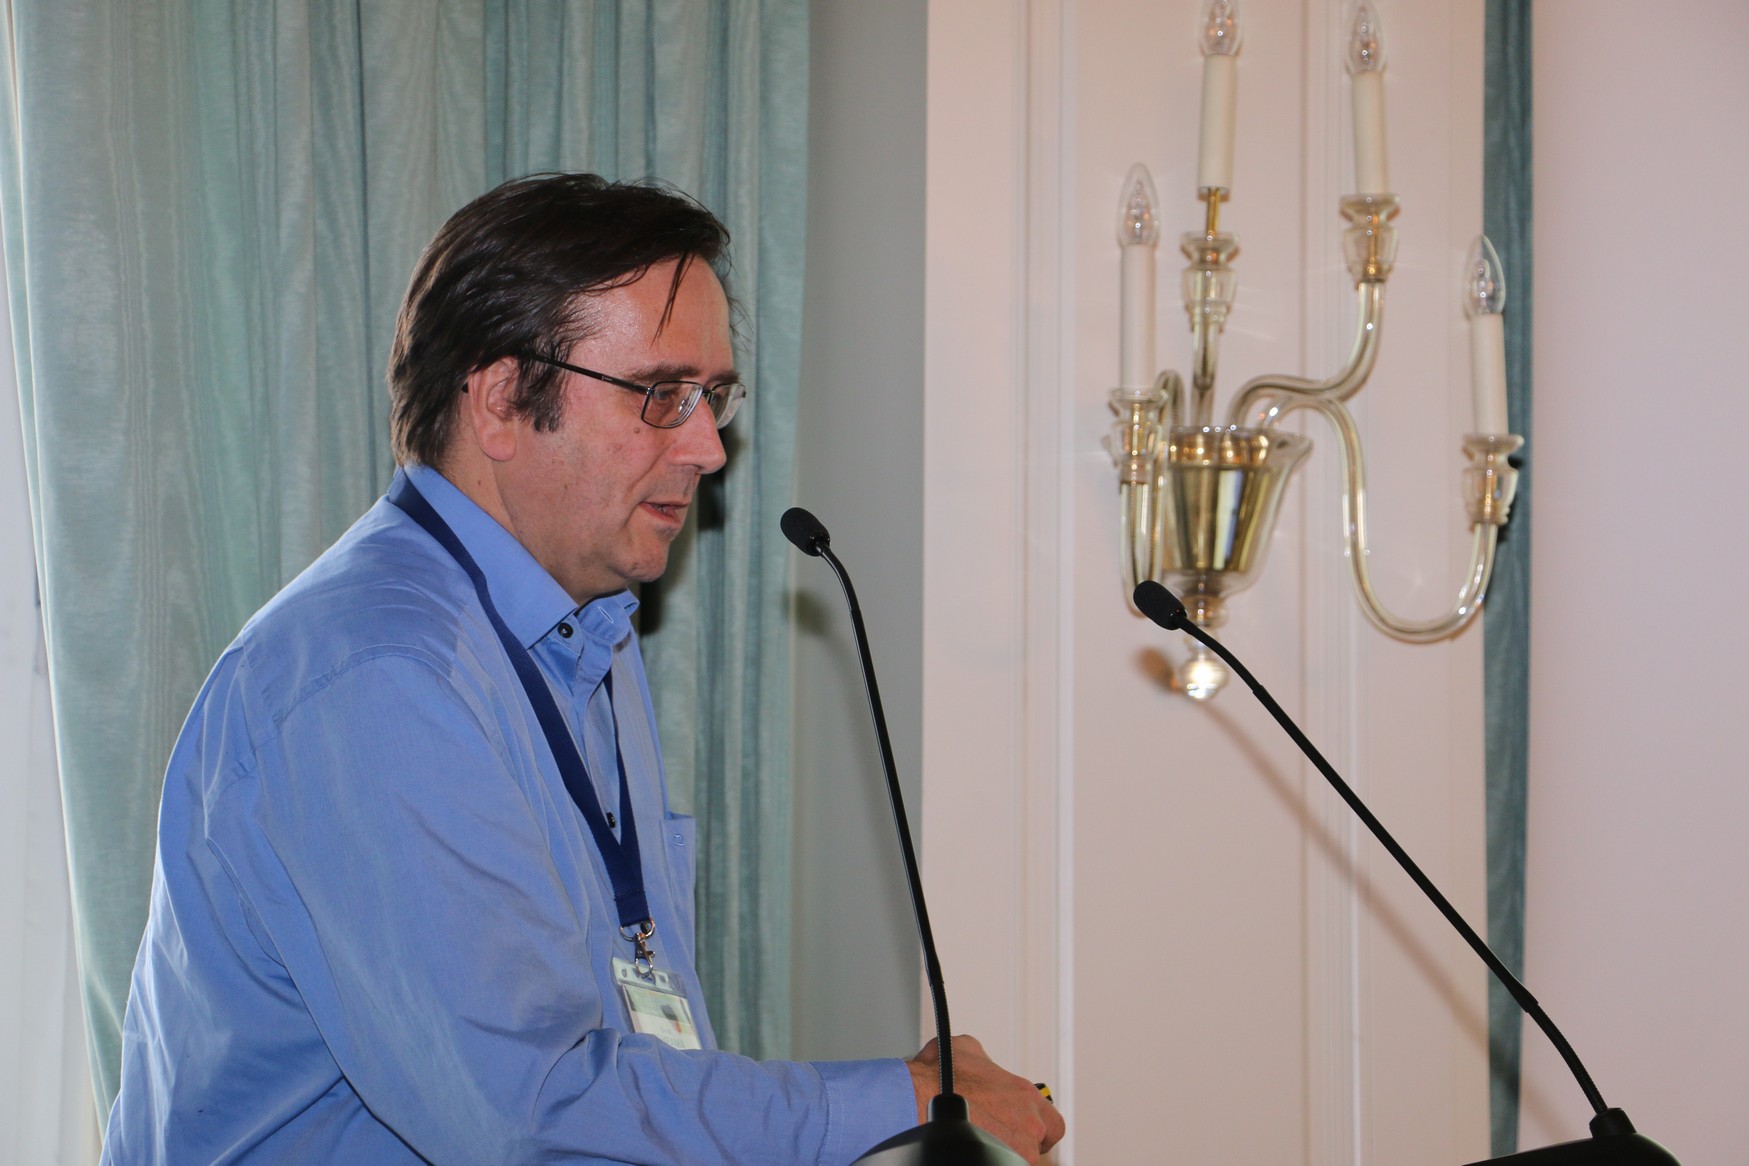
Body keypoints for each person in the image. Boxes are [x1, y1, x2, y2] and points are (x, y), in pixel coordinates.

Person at [101, 173, 1064, 1165]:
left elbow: (624, 1031)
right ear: (501, 401)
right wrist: (897, 1099)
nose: (709, 447)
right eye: (662, 394)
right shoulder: (381, 673)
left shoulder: (589, 628)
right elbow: (529, 1113)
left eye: (714, 397)